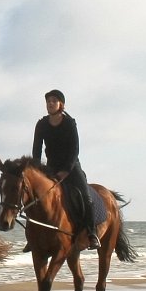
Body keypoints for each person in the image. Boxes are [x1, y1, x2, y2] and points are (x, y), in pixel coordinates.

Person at [31, 89, 100, 250]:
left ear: (61, 104)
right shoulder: (41, 124)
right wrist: (37, 169)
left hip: (71, 166)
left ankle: (92, 233)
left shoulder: (69, 123)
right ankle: (34, 235)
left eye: (54, 101)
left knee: (85, 195)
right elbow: (36, 150)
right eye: (48, 101)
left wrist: (66, 170)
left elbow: (75, 149)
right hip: (51, 166)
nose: (50, 103)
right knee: (37, 197)